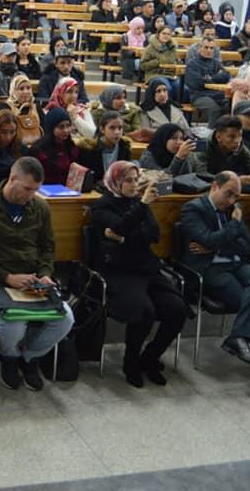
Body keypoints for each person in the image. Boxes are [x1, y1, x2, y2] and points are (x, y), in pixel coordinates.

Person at [0, 156, 75, 389]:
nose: (30, 195)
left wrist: (45, 273)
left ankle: (29, 357)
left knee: (65, 319)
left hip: (32, 279)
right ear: (12, 178)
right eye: (27, 188)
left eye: (35, 190)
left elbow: (47, 247)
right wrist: (7, 277)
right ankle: (9, 359)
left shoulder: (40, 207)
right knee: (15, 322)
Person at [178, 171, 250, 401]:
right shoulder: (193, 209)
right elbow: (206, 240)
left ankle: (238, 337)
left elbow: (247, 246)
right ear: (214, 187)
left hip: (236, 264)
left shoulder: (232, 211)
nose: (231, 201)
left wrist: (218, 244)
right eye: (228, 194)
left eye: (236, 196)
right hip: (211, 270)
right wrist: (229, 232)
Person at [91, 162, 187, 387]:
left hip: (146, 266)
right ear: (116, 182)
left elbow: (153, 234)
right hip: (119, 270)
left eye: (136, 180)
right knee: (145, 312)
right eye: (129, 180)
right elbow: (118, 226)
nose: (135, 185)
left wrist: (125, 237)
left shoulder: (138, 203)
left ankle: (150, 357)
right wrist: (136, 216)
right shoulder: (101, 206)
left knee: (177, 310)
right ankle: (130, 362)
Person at [188, 115, 250, 187]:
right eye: (232, 136)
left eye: (240, 136)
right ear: (218, 137)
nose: (237, 140)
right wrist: (234, 180)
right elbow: (201, 174)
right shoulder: (202, 145)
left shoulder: (240, 147)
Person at [27, 107, 80, 186]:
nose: (66, 130)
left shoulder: (71, 147)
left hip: (68, 190)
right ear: (51, 128)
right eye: (61, 127)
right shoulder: (39, 149)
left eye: (68, 126)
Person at [185, 36, 230, 126]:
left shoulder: (216, 63)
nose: (209, 50)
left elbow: (226, 76)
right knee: (215, 109)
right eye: (206, 47)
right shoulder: (192, 64)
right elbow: (196, 83)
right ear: (199, 48)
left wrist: (210, 78)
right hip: (199, 95)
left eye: (211, 48)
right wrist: (216, 78)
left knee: (229, 107)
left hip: (217, 94)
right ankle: (211, 135)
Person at [78, 111, 131, 182]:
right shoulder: (89, 149)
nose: (117, 132)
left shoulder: (124, 147)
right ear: (102, 129)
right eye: (112, 128)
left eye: (120, 128)